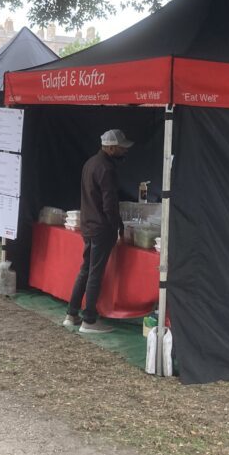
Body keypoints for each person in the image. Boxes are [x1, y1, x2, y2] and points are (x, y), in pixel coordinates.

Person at [63, 129, 132, 334]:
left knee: (86, 269)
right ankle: (89, 320)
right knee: (95, 272)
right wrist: (118, 227)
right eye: (121, 147)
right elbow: (109, 204)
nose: (123, 150)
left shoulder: (90, 163)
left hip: (88, 225)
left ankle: (71, 313)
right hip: (101, 228)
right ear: (111, 148)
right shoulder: (106, 168)